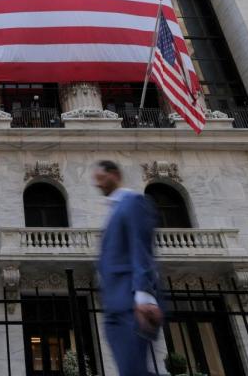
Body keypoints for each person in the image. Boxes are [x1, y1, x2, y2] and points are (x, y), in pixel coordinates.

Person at [94, 160, 162, 376]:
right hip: (113, 306)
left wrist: (144, 296)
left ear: (114, 174)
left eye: (101, 179)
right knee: (130, 370)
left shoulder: (133, 202)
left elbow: (141, 248)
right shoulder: (114, 210)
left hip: (130, 303)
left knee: (134, 370)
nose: (98, 185)